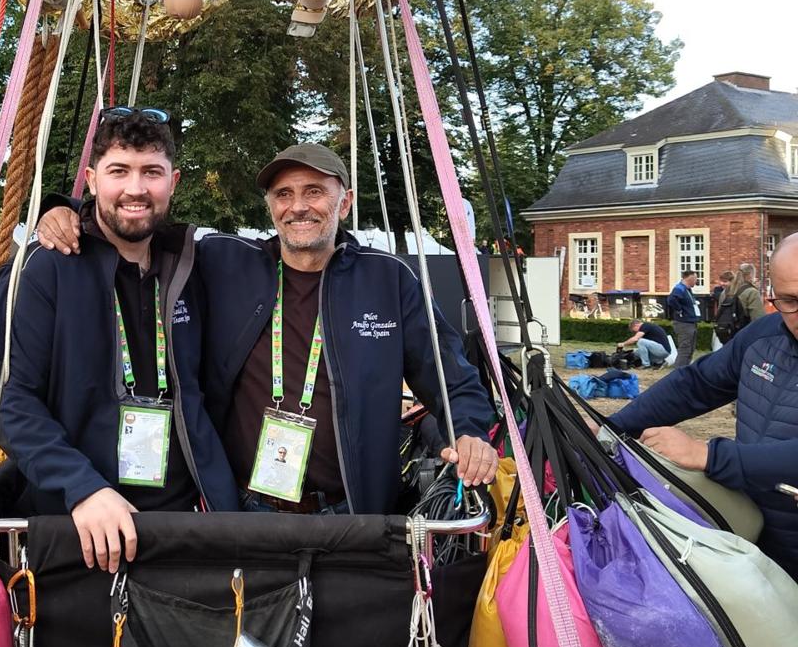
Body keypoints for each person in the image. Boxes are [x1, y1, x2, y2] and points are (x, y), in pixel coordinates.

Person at [37, 142, 499, 515]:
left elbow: (450, 376)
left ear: (345, 202)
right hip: (247, 509)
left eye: (314, 191)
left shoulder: (388, 279)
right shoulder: (228, 262)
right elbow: (134, 217)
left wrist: (471, 431)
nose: (298, 206)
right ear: (271, 207)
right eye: (284, 194)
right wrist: (65, 210)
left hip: (351, 512)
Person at [0, 107, 238, 575]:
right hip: (80, 526)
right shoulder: (44, 269)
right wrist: (81, 487)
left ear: (173, 182)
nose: (136, 189)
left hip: (185, 523)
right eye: (119, 170)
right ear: (92, 179)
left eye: (151, 172)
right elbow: (7, 400)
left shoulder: (193, 267)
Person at [605, 233, 798, 647]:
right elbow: (693, 386)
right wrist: (610, 431)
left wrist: (711, 455)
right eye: (788, 301)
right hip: (770, 548)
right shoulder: (764, 338)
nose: (797, 314)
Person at [665, 269, 700, 367]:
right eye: (695, 278)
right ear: (690, 278)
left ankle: (685, 369)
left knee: (690, 348)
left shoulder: (687, 290)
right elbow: (671, 299)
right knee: (685, 348)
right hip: (684, 323)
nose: (696, 281)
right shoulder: (679, 288)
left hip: (690, 322)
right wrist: (679, 310)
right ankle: (679, 370)